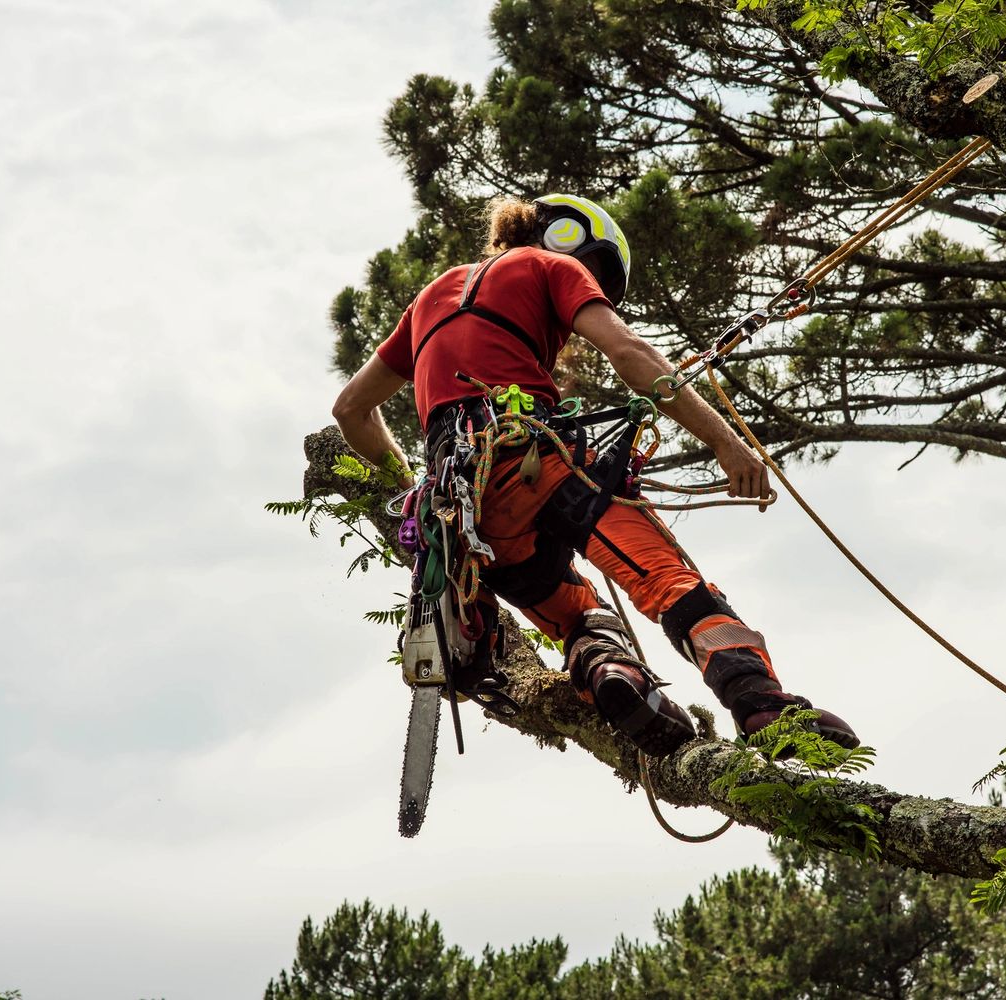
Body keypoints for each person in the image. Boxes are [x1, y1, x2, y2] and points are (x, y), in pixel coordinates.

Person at [332, 193, 857, 756]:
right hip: (542, 463)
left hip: (467, 518)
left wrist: (416, 485)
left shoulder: (428, 298)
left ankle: (614, 677)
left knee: (579, 616)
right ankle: (763, 709)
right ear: (567, 237)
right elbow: (628, 352)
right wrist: (725, 443)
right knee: (673, 584)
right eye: (596, 270)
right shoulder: (551, 265)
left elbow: (350, 410)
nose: (594, 284)